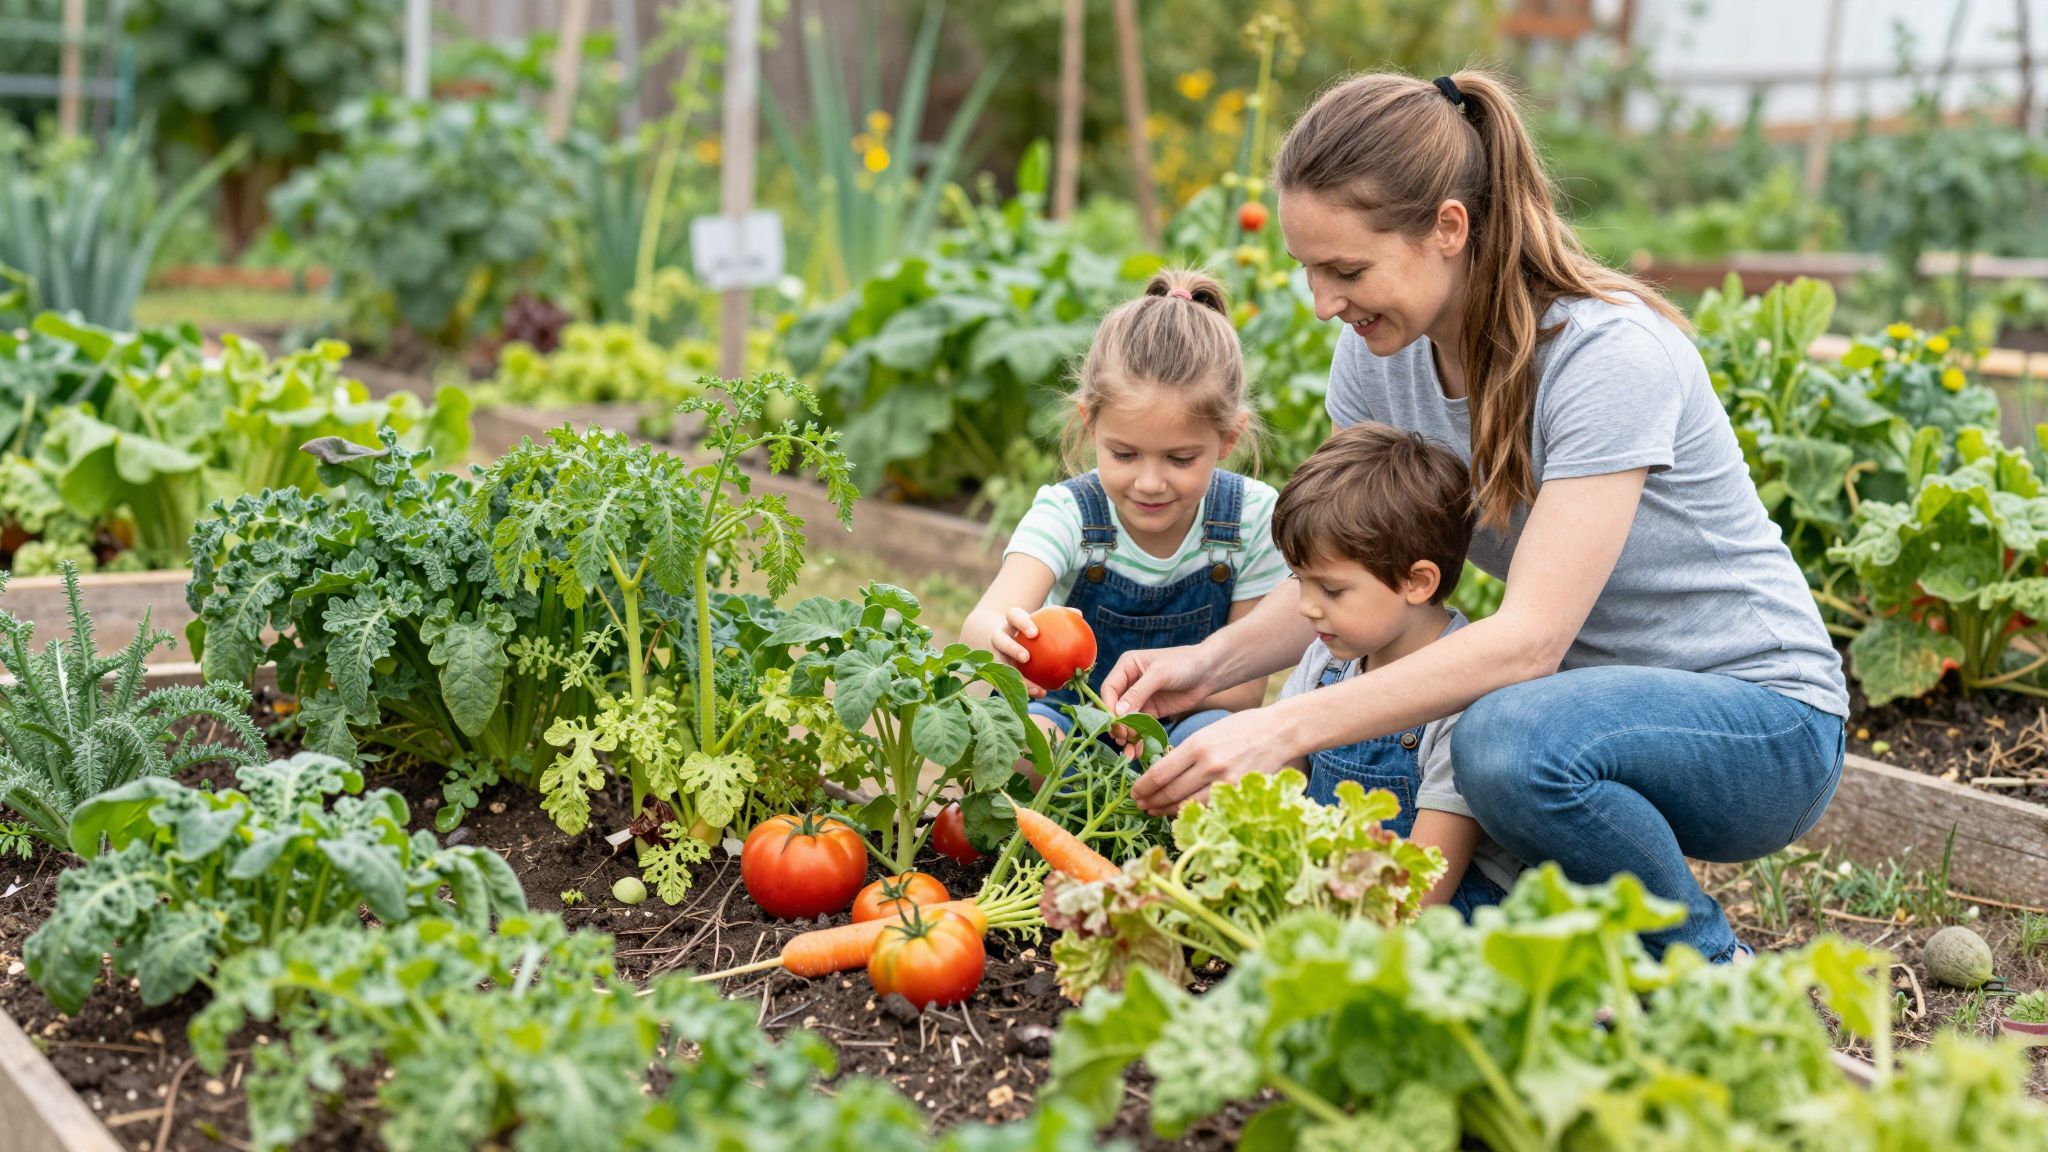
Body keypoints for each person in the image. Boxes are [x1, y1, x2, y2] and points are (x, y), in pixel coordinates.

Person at [1100, 70, 1847, 962]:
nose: (1323, 303)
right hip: (1575, 712)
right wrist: (1207, 663)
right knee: (1484, 760)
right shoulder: (1379, 360)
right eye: (1308, 269)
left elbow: (1527, 642)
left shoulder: (1608, 357)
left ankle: (1710, 976)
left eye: (1346, 269)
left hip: (1762, 725)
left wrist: (1284, 726)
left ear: (1448, 228)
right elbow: (1354, 575)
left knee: (1502, 742)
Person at [961, 269, 1289, 750]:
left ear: (1229, 439)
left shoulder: (1253, 518)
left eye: (1180, 459)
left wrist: (1143, 716)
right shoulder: (1069, 513)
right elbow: (981, 621)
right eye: (1124, 455)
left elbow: (1241, 691)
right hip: (1070, 718)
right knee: (1028, 740)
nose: (1150, 483)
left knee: (1225, 742)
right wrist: (999, 643)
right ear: (1089, 424)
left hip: (1186, 719)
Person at [1272, 422, 1521, 916]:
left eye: (1332, 590)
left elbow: (1424, 887)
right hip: (1340, 896)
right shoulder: (1325, 660)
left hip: (1444, 910)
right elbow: (1281, 795)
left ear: (1417, 582)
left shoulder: (1468, 696)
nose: (1306, 607)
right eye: (1298, 580)